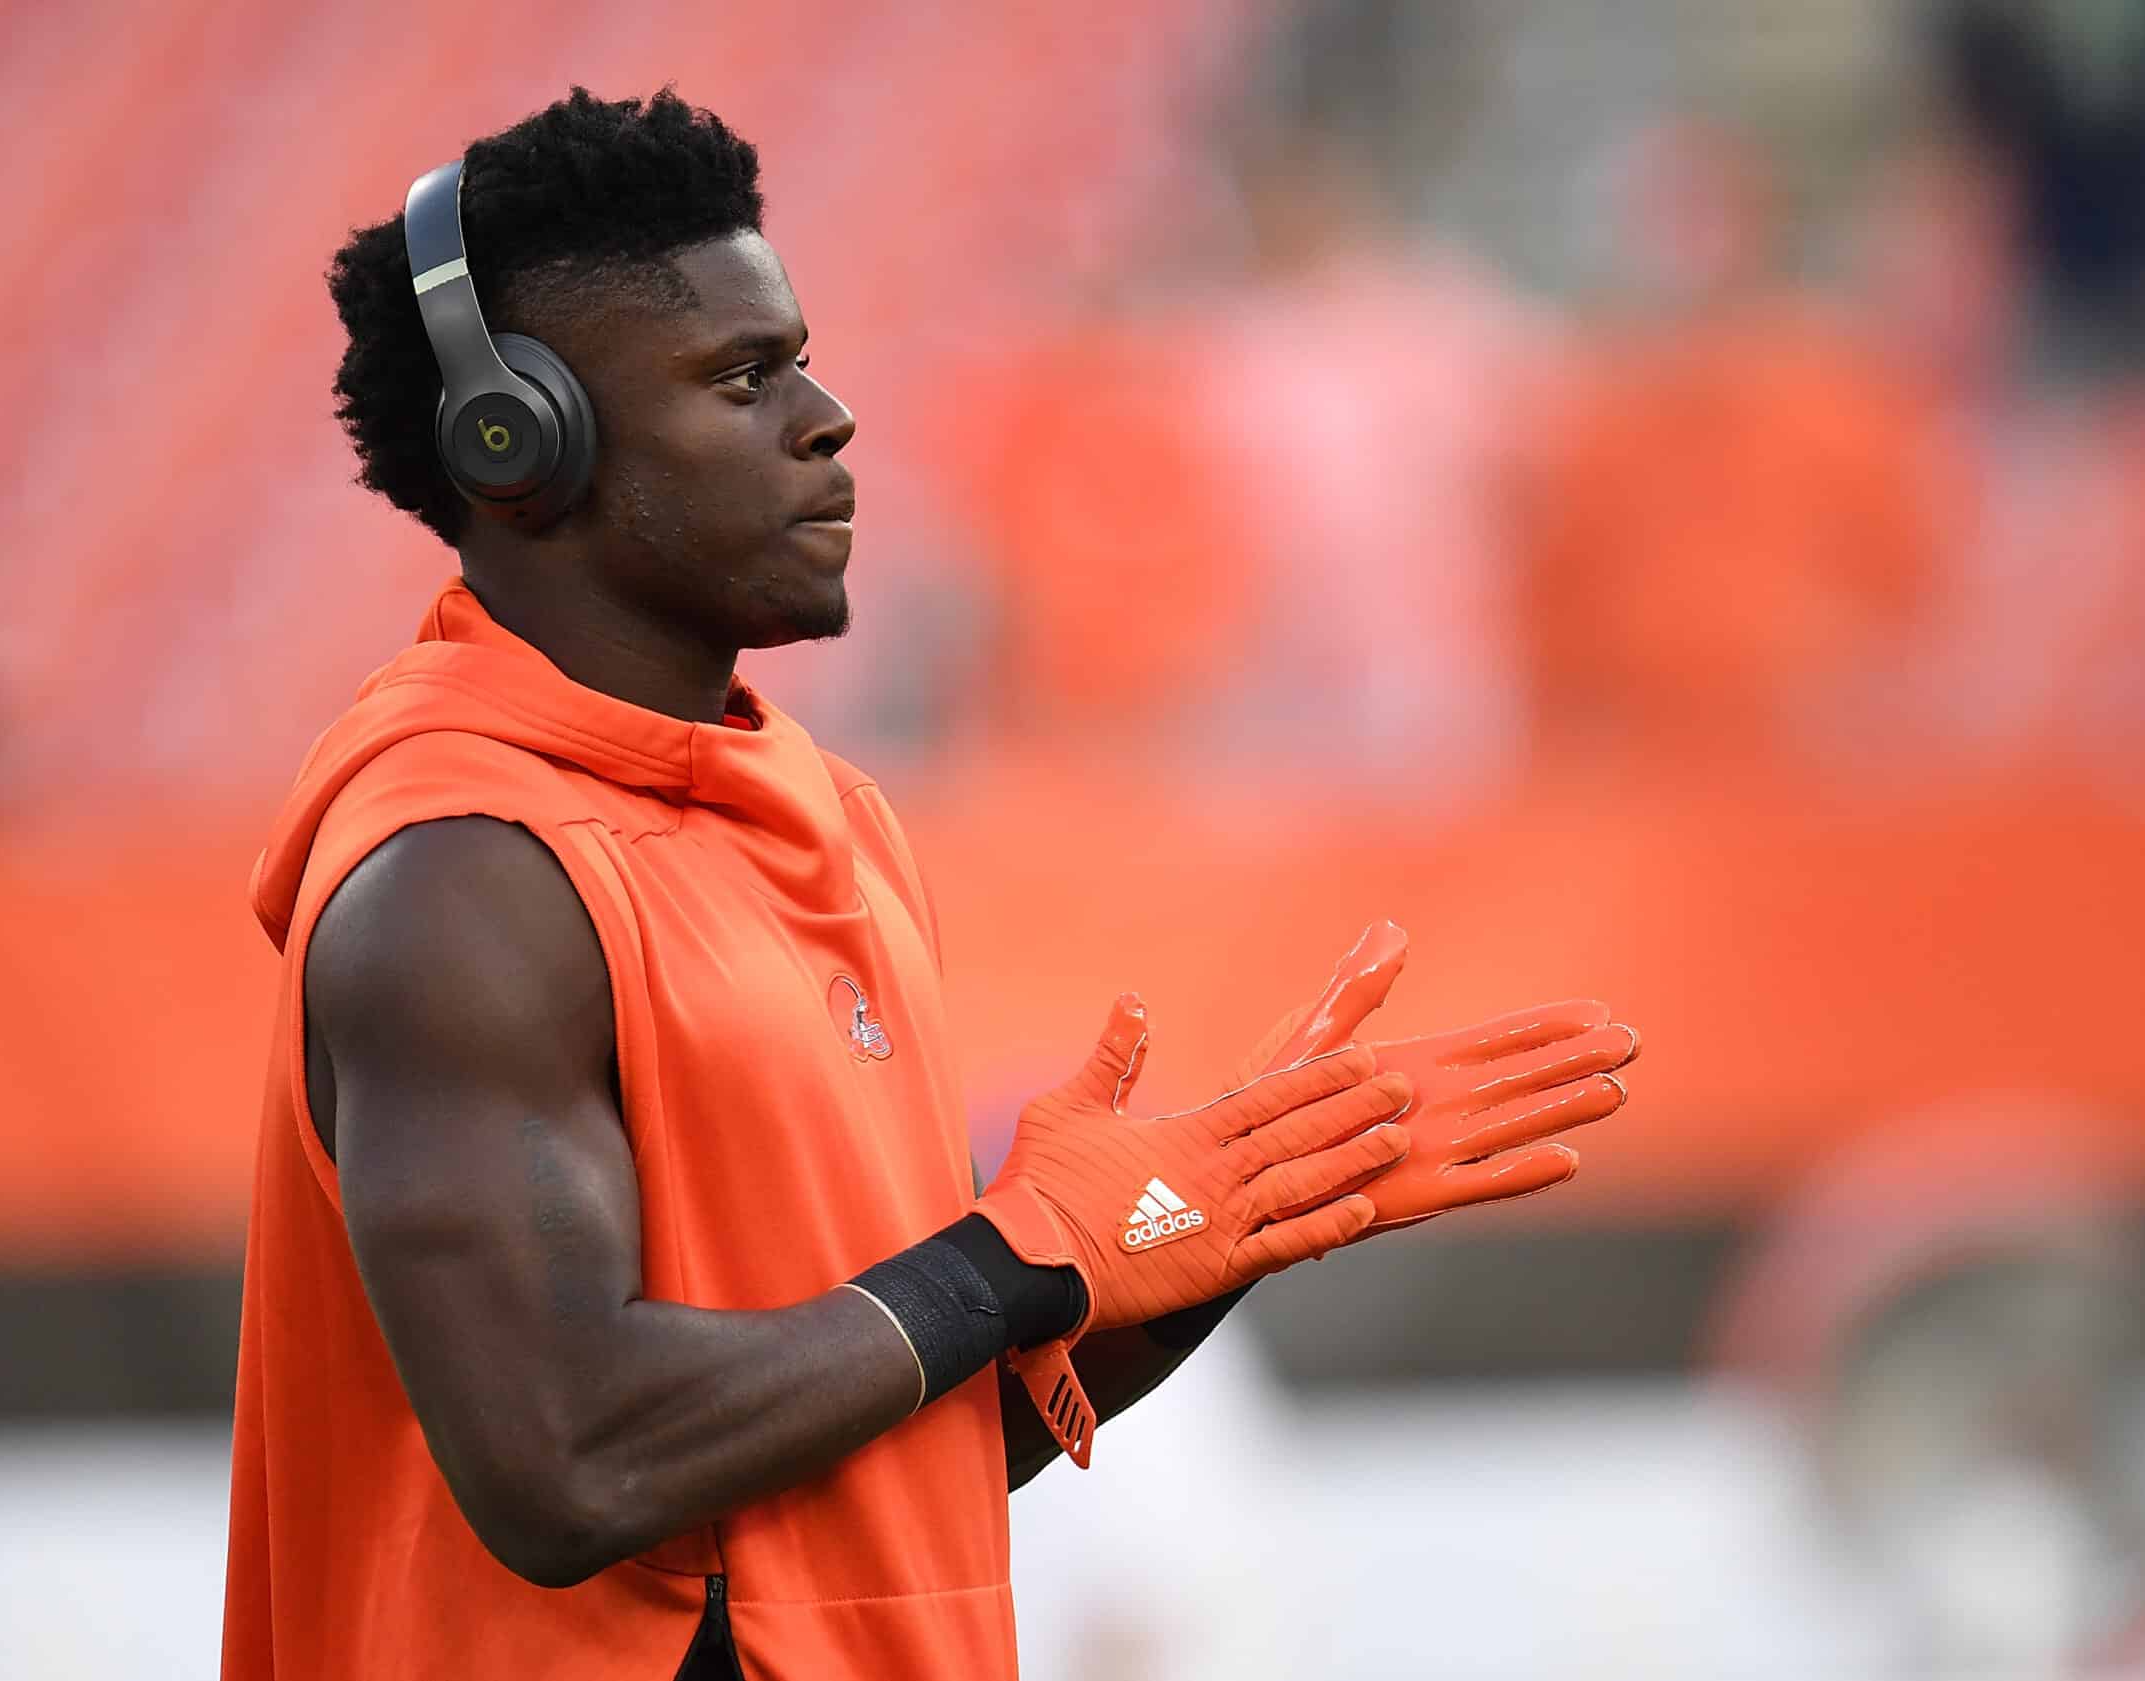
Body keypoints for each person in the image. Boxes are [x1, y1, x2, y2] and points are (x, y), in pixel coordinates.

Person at [223, 89, 1632, 1681]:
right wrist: (1011, 1259)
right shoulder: (463, 878)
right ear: (520, 442)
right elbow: (568, 1460)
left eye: (803, 360)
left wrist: (1160, 1265)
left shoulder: (829, 825)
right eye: (742, 379)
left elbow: (835, 1471)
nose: (826, 418)